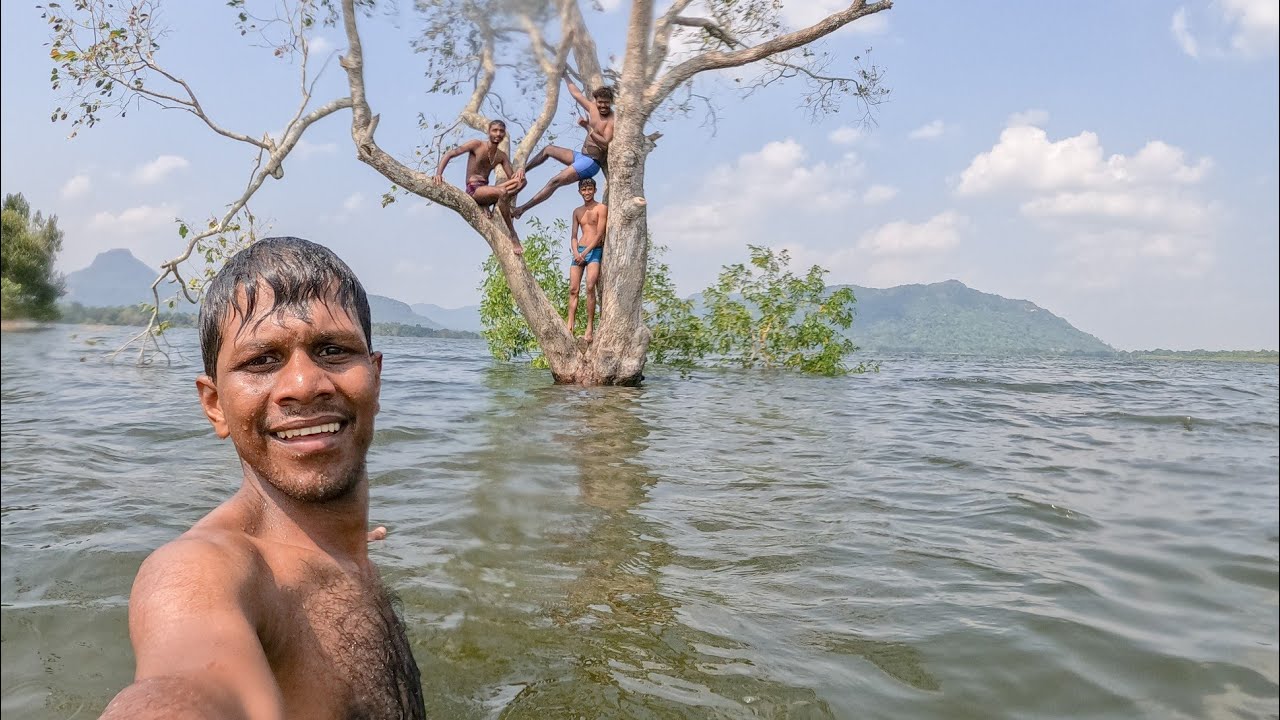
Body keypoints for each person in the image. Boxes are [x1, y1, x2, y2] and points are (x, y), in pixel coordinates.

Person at [99, 237, 425, 720]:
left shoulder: (338, 548)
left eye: (333, 350)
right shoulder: (200, 571)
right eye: (261, 361)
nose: (303, 385)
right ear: (215, 405)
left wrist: (350, 541)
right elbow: (181, 685)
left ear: (375, 380)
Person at [512, 78, 614, 219]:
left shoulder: (611, 120)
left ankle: (521, 209)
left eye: (606, 103)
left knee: (554, 181)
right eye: (600, 102)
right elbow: (576, 94)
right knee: (548, 149)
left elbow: (605, 143)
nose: (603, 106)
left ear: (611, 102)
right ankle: (521, 171)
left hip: (591, 163)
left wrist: (587, 128)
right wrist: (565, 75)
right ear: (596, 101)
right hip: (581, 156)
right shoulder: (593, 108)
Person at [435, 119, 527, 254]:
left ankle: (490, 203)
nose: (498, 133)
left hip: (487, 189)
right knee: (502, 192)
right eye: (495, 130)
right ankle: (513, 234)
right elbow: (450, 154)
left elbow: (513, 178)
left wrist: (520, 171)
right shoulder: (476, 145)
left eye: (501, 131)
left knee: (522, 182)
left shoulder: (501, 156)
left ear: (504, 134)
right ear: (489, 132)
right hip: (474, 189)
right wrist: (438, 174)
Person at [567, 178, 607, 343]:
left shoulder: (601, 208)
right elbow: (574, 236)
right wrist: (577, 252)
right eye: (584, 190)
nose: (587, 192)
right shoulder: (577, 211)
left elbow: (599, 235)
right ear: (579, 192)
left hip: (594, 251)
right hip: (579, 252)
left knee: (590, 287)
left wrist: (586, 253)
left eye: (590, 189)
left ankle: (589, 328)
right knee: (573, 289)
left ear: (595, 190)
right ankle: (570, 325)